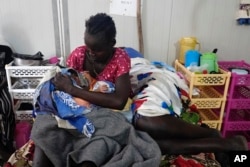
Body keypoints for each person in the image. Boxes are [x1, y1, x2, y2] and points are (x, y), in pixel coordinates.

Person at [31, 13, 161, 167]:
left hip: (106, 113)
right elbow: (64, 86)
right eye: (88, 47)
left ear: (112, 43)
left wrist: (73, 90)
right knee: (43, 130)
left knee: (96, 147)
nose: (91, 53)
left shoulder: (120, 59)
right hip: (78, 109)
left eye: (97, 50)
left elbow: (119, 101)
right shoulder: (79, 55)